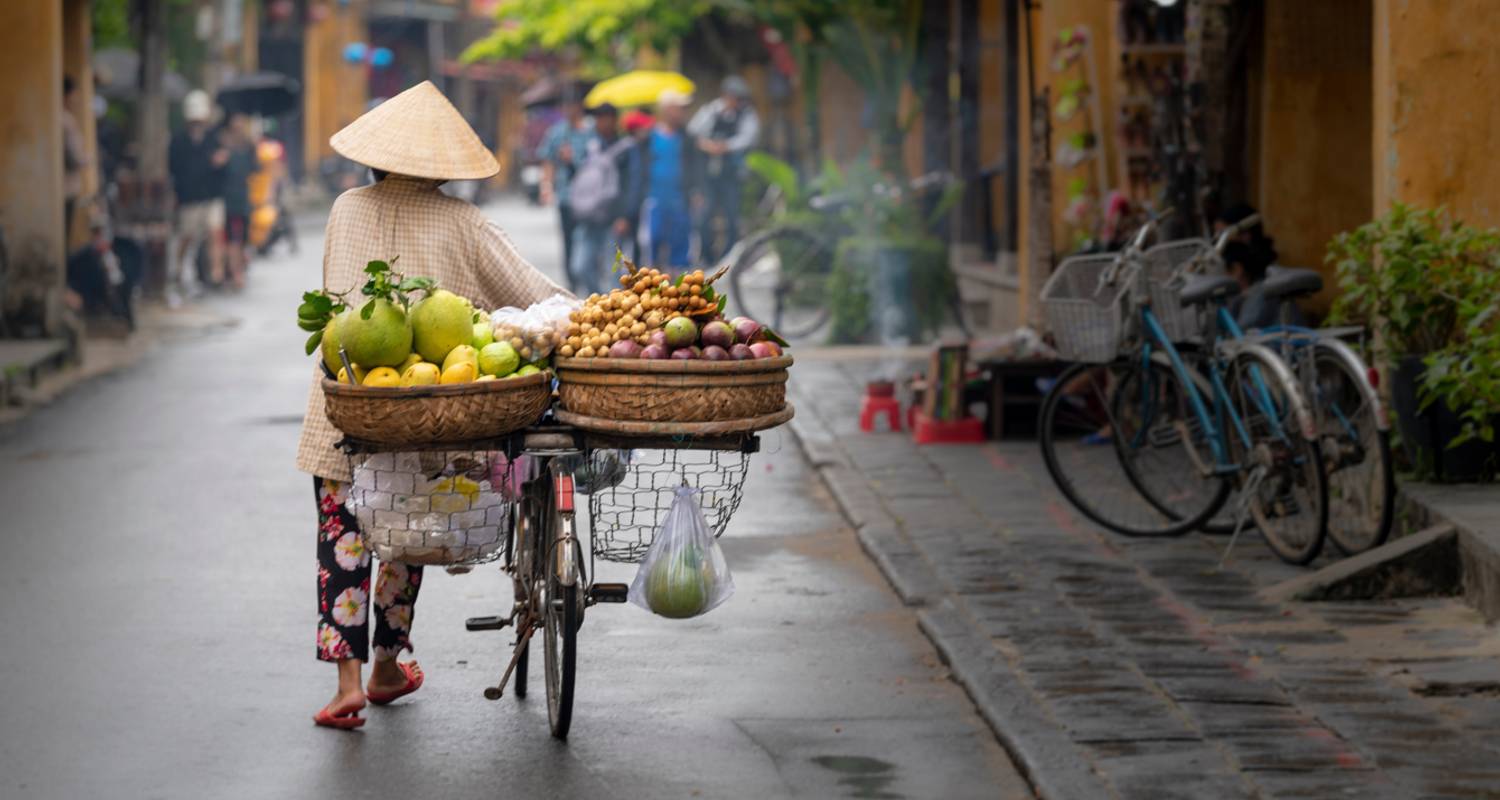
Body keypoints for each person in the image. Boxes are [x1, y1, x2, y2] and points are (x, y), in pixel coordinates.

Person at [296, 81, 567, 731]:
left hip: (346, 405)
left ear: (375, 157)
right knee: (402, 528)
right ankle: (390, 663)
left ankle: (348, 683)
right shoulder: (463, 222)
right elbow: (532, 296)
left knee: (345, 536)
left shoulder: (344, 209)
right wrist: (581, 311)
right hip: (428, 411)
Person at [566, 103, 641, 296]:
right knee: (580, 267)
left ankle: (611, 311)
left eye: (607, 118)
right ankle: (599, 301)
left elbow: (633, 184)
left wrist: (626, 216)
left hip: (613, 219)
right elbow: (579, 179)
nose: (603, 122)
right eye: (599, 118)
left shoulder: (626, 149)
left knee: (613, 273)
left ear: (615, 120)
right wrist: (569, 164)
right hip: (589, 218)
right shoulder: (589, 146)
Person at [687, 76, 760, 263]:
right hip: (708, 174)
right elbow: (693, 132)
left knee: (732, 215)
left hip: (731, 174)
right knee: (705, 215)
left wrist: (725, 146)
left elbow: (748, 138)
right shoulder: (710, 111)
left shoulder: (747, 115)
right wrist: (707, 145)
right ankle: (707, 255)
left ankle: (730, 257)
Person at [167, 90, 228, 306]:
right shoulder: (179, 140)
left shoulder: (213, 138)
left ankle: (216, 273)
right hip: (189, 196)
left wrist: (220, 162)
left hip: (211, 194)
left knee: (215, 231)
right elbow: (174, 169)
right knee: (187, 236)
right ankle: (177, 271)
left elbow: (222, 165)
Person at [539, 98, 596, 290]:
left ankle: (587, 274)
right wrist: (546, 186)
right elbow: (548, 161)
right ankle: (572, 280)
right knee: (568, 239)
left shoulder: (591, 132)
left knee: (588, 237)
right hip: (566, 195)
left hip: (590, 196)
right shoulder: (558, 133)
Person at [1213, 204, 1299, 330]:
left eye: (1222, 235)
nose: (1217, 242)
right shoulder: (1249, 289)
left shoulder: (1263, 288)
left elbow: (1244, 329)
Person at [642, 90, 698, 269]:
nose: (681, 113)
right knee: (653, 242)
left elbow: (695, 167)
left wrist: (697, 191)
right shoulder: (648, 137)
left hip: (679, 198)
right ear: (666, 110)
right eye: (678, 108)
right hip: (654, 199)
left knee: (680, 244)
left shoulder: (687, 138)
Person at [218, 112, 258, 290]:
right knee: (232, 240)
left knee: (241, 239)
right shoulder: (223, 146)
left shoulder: (248, 147)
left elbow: (254, 169)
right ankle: (235, 274)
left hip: (243, 198)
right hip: (229, 199)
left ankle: (236, 271)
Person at [620, 110, 655, 261]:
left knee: (640, 246)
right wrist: (623, 213)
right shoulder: (626, 150)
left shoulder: (646, 147)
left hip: (642, 204)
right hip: (628, 207)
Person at [61, 76, 90, 244]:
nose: (76, 99)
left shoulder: (65, 118)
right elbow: (71, 158)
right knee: (65, 234)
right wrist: (85, 161)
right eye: (74, 94)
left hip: (68, 187)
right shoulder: (64, 120)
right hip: (66, 187)